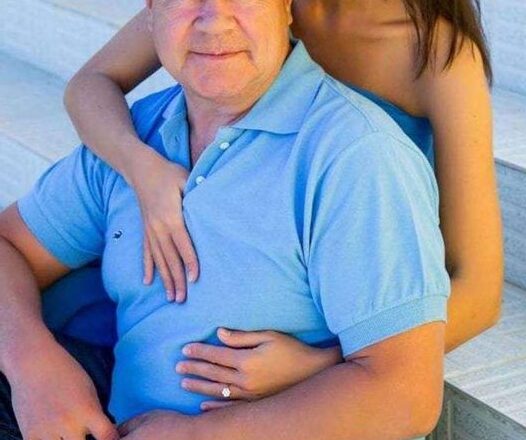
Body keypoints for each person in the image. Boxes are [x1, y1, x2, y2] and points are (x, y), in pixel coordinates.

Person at [0, 0, 451, 438]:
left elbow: (407, 394)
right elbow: (9, 245)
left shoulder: (356, 156)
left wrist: (199, 435)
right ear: (151, 10)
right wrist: (32, 363)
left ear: (286, 6)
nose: (214, 20)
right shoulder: (138, 133)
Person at [60, 0, 504, 353]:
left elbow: (479, 292)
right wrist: (143, 168)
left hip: (333, 284)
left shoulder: (437, 55)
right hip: (212, 253)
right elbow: (90, 82)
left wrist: (322, 366)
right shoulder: (261, 8)